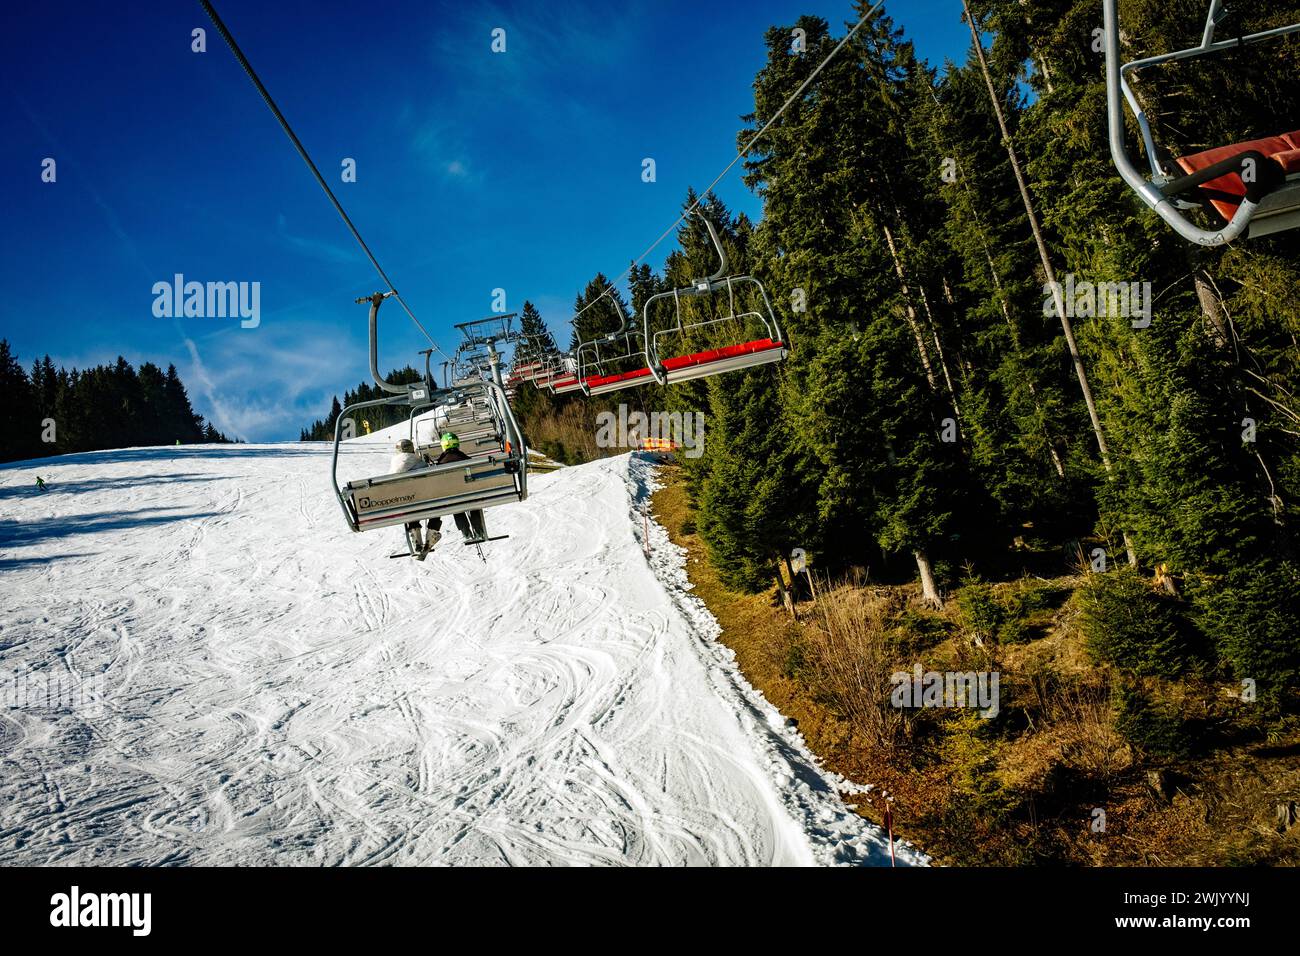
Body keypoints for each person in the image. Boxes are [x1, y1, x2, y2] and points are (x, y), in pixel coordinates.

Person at [428, 432, 486, 542]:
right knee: (474, 501)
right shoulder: (464, 458)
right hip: (469, 492)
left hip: (453, 495)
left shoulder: (441, 462)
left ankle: (465, 530)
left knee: (454, 504)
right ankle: (478, 529)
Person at [388, 439, 440, 554]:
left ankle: (416, 537)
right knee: (436, 509)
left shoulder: (394, 464)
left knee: (410, 509)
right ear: (411, 449)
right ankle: (430, 538)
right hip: (423, 498)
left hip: (404, 500)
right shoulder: (417, 461)